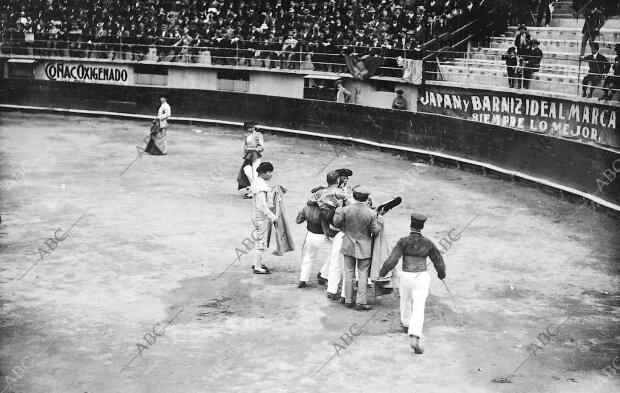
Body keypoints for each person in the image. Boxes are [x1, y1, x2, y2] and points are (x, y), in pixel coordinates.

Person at [379, 213, 446, 354]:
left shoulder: (403, 241)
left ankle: (406, 323)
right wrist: (441, 274)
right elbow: (438, 260)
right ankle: (415, 335)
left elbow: (392, 260)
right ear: (422, 227)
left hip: (406, 276)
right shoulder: (428, 243)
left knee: (405, 300)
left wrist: (382, 273)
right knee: (419, 307)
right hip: (421, 276)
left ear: (411, 225)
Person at [333, 187, 383, 310]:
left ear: (354, 197)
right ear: (367, 198)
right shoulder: (371, 213)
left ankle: (348, 300)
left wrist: (338, 210)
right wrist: (380, 223)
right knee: (363, 274)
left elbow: (336, 224)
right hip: (364, 247)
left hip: (348, 244)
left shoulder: (345, 210)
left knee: (348, 273)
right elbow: (375, 231)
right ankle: (360, 302)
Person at [296, 186, 333, 288]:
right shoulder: (323, 210)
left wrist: (302, 212)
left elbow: (298, 221)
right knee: (335, 253)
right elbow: (327, 231)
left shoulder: (306, 207)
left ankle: (302, 279)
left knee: (309, 256)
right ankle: (323, 274)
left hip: (309, 236)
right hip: (320, 237)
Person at [250, 161, 277, 275]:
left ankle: (258, 263)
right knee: (262, 241)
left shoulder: (257, 182)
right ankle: (257, 267)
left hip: (257, 215)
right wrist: (272, 216)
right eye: (269, 172)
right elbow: (261, 206)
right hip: (261, 217)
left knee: (261, 240)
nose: (271, 174)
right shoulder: (261, 186)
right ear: (262, 173)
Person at [236, 121, 264, 198]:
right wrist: (246, 149)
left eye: (251, 127)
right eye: (248, 128)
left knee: (254, 173)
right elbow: (245, 146)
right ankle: (255, 188)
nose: (250, 129)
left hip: (254, 156)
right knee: (246, 169)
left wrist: (252, 149)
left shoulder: (258, 135)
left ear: (254, 127)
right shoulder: (248, 136)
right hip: (248, 156)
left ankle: (254, 191)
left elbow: (261, 147)